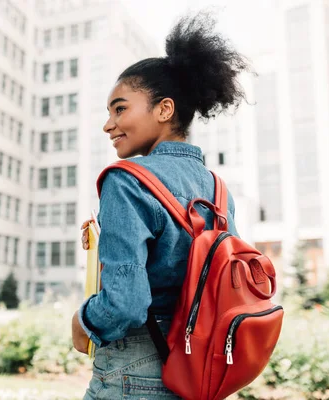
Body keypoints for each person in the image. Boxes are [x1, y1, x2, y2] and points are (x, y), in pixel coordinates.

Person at [71, 12, 250, 400]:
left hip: (134, 369)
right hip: (202, 368)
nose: (108, 124)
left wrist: (82, 321)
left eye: (120, 109)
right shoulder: (217, 189)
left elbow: (126, 304)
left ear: (164, 110)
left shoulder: (126, 179)